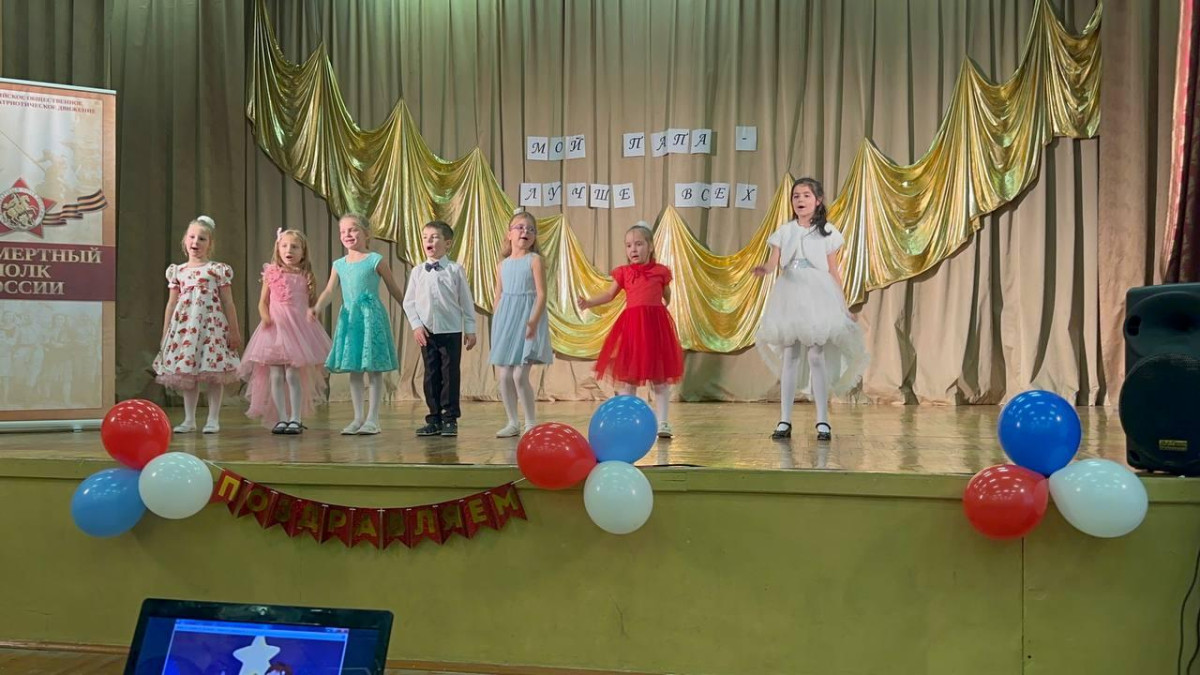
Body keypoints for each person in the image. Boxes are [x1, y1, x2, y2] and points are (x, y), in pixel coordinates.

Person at [752, 177, 869, 440]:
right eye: (796, 196)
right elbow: (773, 262)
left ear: (818, 201)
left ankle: (822, 420)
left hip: (818, 293)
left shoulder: (827, 232)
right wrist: (765, 269)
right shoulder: (784, 231)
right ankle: (784, 420)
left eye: (806, 195)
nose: (800, 200)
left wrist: (843, 307)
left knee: (816, 355)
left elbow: (834, 271)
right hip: (790, 293)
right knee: (790, 356)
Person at [577, 221, 683, 438]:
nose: (633, 249)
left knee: (660, 378)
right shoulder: (624, 272)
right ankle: (629, 422)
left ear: (650, 246)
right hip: (633, 329)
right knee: (628, 379)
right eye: (628, 245)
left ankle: (663, 423)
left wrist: (662, 304)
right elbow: (609, 295)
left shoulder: (660, 271)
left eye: (638, 244)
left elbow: (667, 295)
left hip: (655, 328)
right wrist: (589, 302)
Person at [310, 214, 405, 435]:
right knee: (354, 369)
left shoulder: (375, 260)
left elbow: (393, 288)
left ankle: (373, 419)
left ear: (366, 233)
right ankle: (357, 418)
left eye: (352, 229)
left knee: (373, 368)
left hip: (371, 318)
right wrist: (318, 306)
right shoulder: (339, 264)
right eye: (342, 231)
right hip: (351, 319)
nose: (347, 234)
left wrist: (409, 309)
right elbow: (329, 290)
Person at [152, 215, 242, 433]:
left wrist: (234, 331)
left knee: (214, 374)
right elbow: (171, 303)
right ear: (185, 240)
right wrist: (166, 332)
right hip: (185, 329)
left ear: (210, 243)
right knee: (188, 375)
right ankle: (189, 420)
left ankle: (213, 419)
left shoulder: (217, 269)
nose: (196, 242)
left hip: (211, 328)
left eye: (202, 238)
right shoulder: (178, 271)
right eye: (192, 237)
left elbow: (228, 302)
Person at [239, 229, 332, 434]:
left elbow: (312, 304)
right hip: (275, 330)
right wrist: (265, 316)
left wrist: (313, 318)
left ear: (303, 252)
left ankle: (295, 418)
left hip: (297, 331)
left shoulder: (306, 276)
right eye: (284, 246)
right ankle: (281, 418)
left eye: (295, 247)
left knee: (292, 375)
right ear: (278, 249)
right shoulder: (272, 273)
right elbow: (262, 302)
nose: (289, 250)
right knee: (276, 375)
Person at [402, 220, 477, 438]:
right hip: (427, 332)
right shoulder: (417, 272)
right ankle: (433, 418)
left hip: (451, 330)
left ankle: (450, 418)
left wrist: (470, 329)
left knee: (450, 375)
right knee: (431, 375)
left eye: (434, 237)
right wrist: (416, 326)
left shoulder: (455, 270)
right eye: (425, 237)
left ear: (447, 243)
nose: (429, 241)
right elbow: (409, 303)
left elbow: (466, 302)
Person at [489, 209, 552, 437]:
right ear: (509, 234)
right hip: (506, 322)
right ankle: (512, 422)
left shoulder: (534, 260)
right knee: (504, 375)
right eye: (521, 227)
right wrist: (497, 323)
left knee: (519, 375)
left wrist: (533, 321)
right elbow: (498, 296)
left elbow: (541, 294)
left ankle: (530, 423)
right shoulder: (502, 265)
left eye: (531, 229)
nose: (526, 232)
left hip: (527, 319)